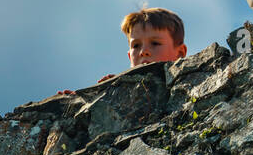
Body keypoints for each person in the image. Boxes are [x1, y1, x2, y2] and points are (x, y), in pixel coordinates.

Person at [57, 7, 188, 95]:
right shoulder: (119, 89)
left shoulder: (189, 86)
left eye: (155, 43)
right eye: (136, 46)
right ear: (130, 57)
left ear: (180, 53)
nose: (144, 52)